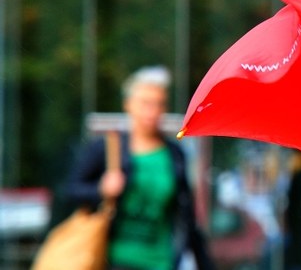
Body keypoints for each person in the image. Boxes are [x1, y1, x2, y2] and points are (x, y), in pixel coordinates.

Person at [65, 66, 214, 270]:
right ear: (128, 105)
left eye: (159, 104)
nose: (152, 111)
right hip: (114, 259)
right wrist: (101, 190)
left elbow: (187, 217)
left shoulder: (174, 154)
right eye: (145, 103)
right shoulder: (109, 148)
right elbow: (70, 190)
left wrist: (204, 262)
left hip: (161, 261)